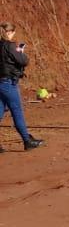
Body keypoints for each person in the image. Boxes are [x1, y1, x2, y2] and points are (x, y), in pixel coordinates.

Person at [0, 22, 43, 151]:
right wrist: (20, 51)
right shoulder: (10, 46)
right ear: (9, 32)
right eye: (13, 32)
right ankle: (27, 140)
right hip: (8, 83)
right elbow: (24, 60)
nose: (14, 34)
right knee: (17, 112)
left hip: (1, 82)